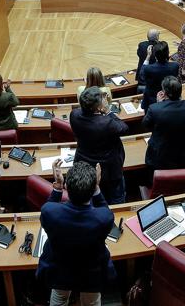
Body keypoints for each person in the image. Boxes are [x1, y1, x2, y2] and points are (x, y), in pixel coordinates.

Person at [39, 160, 116, 306]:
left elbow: (49, 206)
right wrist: (96, 188)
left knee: (59, 299)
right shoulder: (103, 218)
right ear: (93, 189)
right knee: (92, 302)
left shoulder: (50, 213)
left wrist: (57, 187)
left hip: (60, 270)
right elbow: (105, 210)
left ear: (66, 187)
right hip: (91, 273)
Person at [70, 87, 128, 204]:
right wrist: (108, 111)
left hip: (85, 165)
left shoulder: (74, 115)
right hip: (109, 169)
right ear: (97, 107)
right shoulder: (106, 122)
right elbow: (124, 128)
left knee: (89, 197)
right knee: (115, 197)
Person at [143, 76, 185, 173]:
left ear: (164, 93)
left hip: (161, 156)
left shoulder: (154, 108)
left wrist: (159, 104)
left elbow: (146, 126)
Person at [141, 42, 179, 110]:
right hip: (169, 98)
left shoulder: (148, 68)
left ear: (154, 55)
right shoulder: (175, 66)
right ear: (168, 53)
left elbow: (141, 76)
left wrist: (148, 56)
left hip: (151, 101)